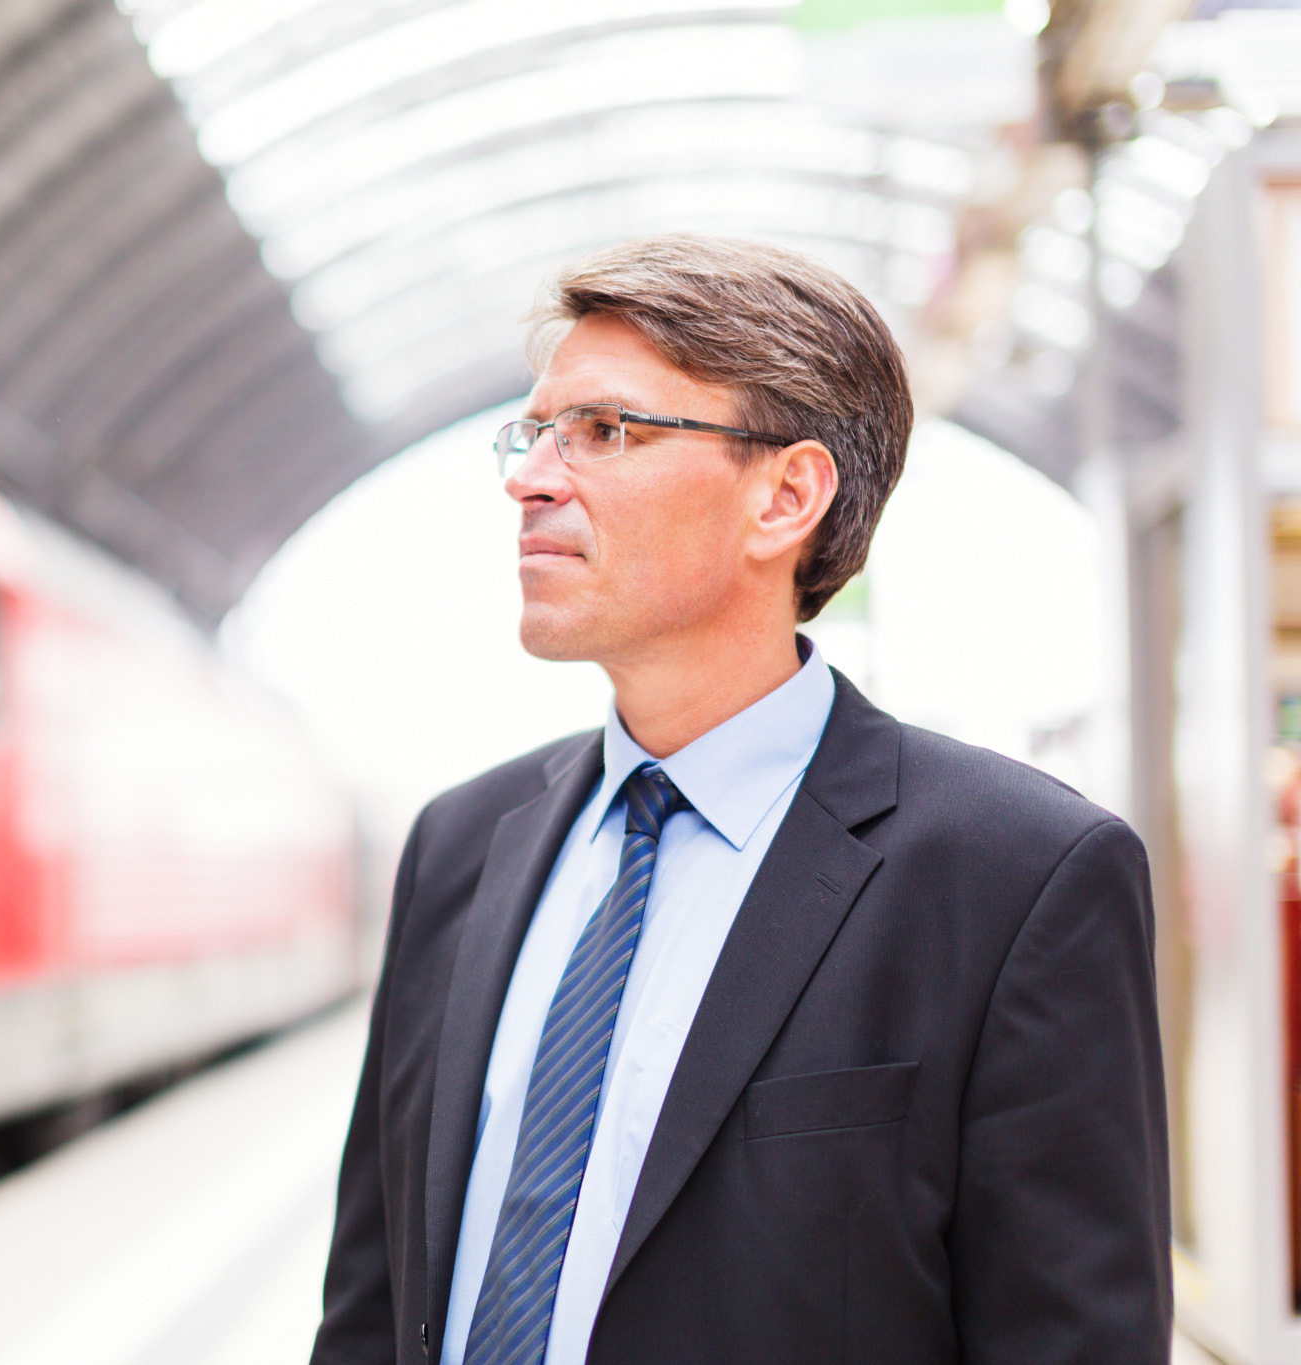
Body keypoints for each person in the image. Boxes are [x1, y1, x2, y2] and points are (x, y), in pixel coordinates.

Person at [309, 234, 1169, 1365]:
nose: (529, 477)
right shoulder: (461, 849)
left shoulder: (1016, 878)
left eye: (604, 431)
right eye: (531, 432)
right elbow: (372, 1306)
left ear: (784, 496)